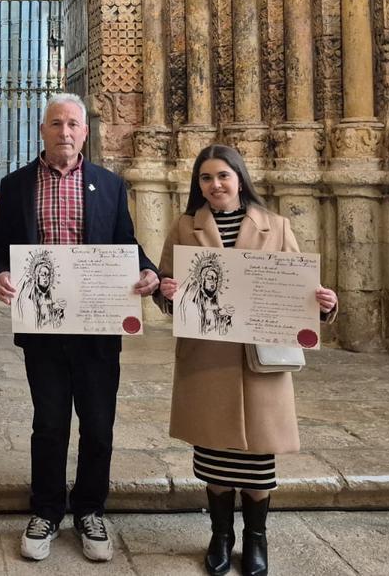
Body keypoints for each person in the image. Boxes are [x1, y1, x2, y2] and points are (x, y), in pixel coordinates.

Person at [0, 93, 159, 563]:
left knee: (99, 425)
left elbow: (125, 243)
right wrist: (0, 271)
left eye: (73, 125)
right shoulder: (17, 184)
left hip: (98, 325)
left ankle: (89, 509)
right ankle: (45, 510)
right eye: (57, 123)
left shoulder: (107, 183)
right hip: (43, 326)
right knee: (49, 424)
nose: (65, 132)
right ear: (42, 130)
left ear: (86, 132)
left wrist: (147, 270)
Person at [155, 145, 338, 576]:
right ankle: (221, 537)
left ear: (239, 177)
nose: (214, 185)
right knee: (215, 455)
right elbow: (169, 288)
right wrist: (167, 293)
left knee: (258, 456)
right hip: (208, 357)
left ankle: (257, 540)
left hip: (260, 359)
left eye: (222, 176)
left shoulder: (275, 226)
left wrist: (324, 303)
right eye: (205, 178)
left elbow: (299, 289)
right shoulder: (185, 226)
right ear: (197, 185)